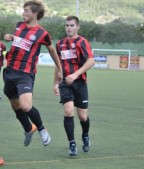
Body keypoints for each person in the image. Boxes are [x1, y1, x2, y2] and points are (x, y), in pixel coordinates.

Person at [3, 0, 62, 147]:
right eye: (23, 10)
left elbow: (52, 50)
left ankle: (41, 129)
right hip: (9, 71)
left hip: (25, 74)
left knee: (26, 106)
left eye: (26, 11)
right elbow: (20, 41)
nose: (23, 13)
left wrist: (60, 68)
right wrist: (10, 37)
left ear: (35, 13)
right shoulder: (18, 25)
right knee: (15, 105)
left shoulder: (43, 33)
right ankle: (29, 129)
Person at [53, 15, 95, 156]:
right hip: (65, 83)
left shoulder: (82, 42)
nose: (69, 28)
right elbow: (58, 65)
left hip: (80, 83)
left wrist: (76, 74)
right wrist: (55, 83)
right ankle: (72, 143)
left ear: (77, 27)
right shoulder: (60, 44)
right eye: (67, 25)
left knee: (83, 116)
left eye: (72, 25)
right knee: (68, 111)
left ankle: (85, 135)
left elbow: (91, 61)